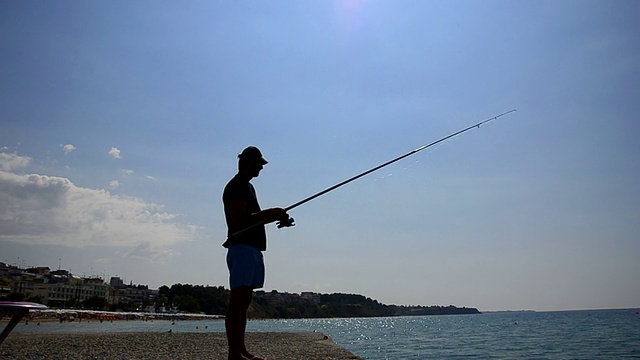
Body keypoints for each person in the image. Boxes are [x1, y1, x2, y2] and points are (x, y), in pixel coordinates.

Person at [222, 146, 290, 360]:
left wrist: (277, 217)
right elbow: (239, 221)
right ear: (247, 162)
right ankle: (234, 355)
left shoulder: (248, 187)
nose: (261, 166)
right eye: (259, 162)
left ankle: (241, 351)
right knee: (238, 302)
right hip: (241, 248)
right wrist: (271, 214)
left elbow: (252, 218)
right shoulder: (237, 186)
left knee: (244, 302)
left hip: (250, 249)